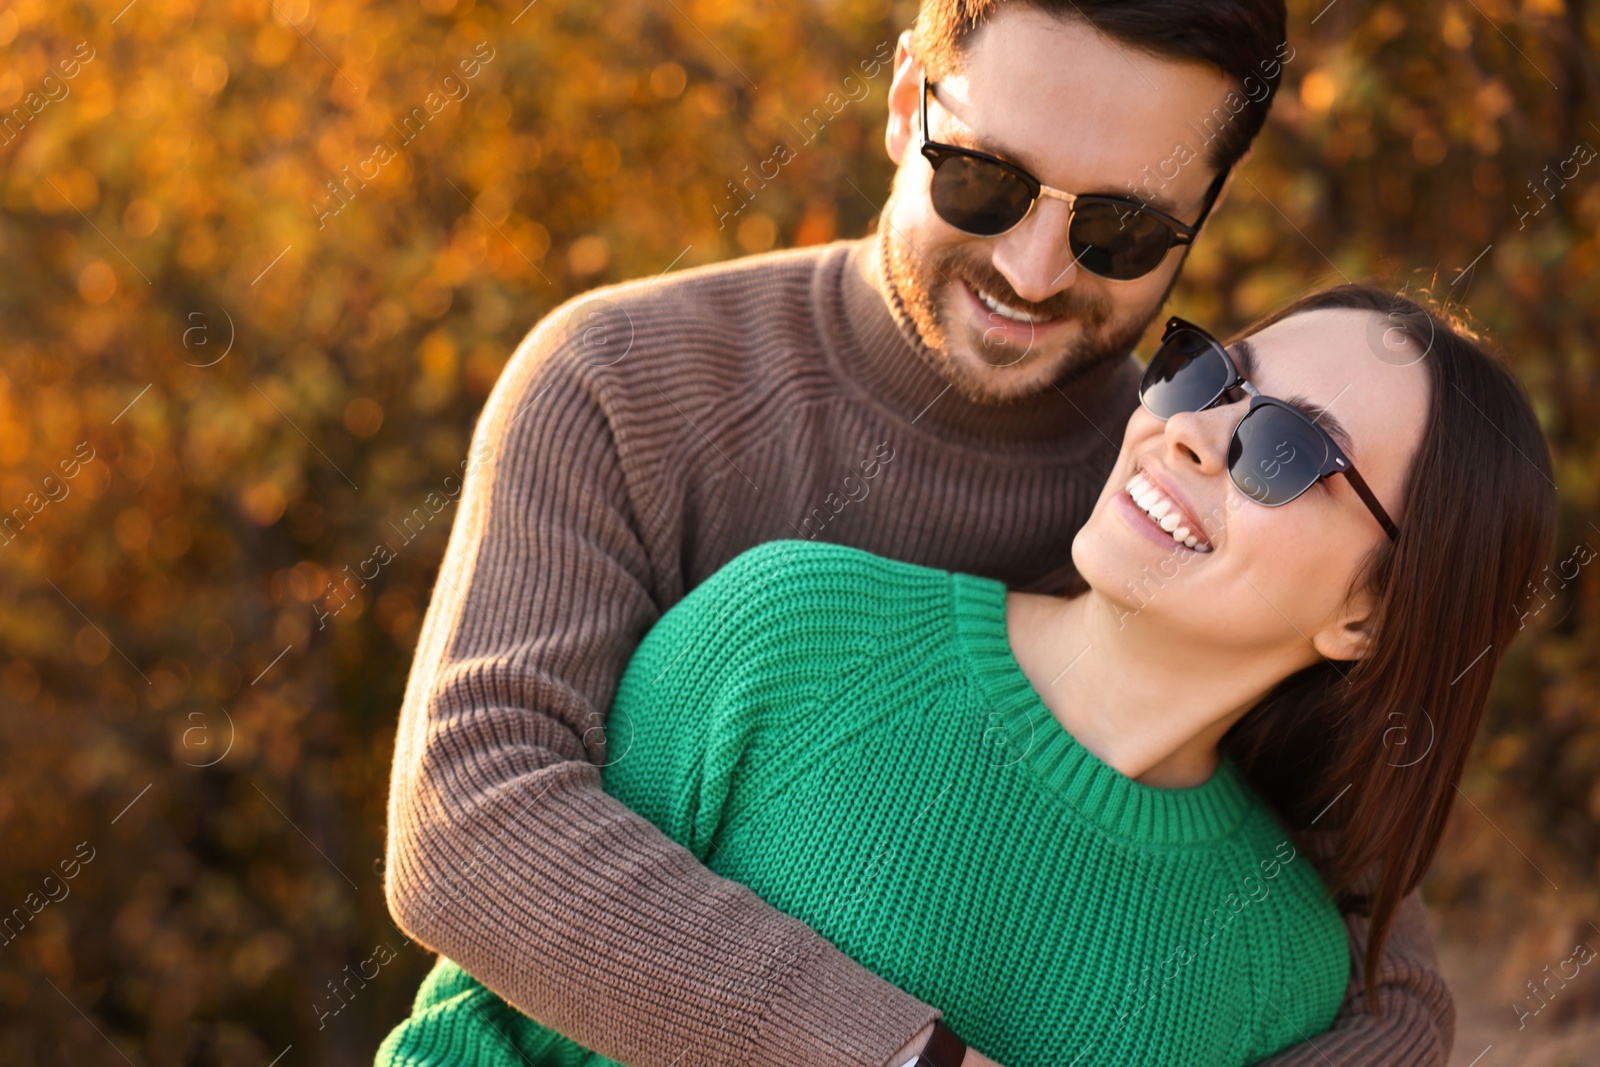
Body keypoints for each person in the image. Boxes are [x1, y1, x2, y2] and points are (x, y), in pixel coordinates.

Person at [383, 2, 1464, 1064]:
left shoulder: (1176, 483)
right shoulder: (618, 380)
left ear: (1203, 211)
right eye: (985, 181)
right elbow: (470, 820)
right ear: (907, 105)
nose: (1034, 271)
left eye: (1120, 227)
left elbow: (1393, 995)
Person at [376, 287, 1555, 1066]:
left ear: (1366, 612)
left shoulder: (1279, 962)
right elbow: (474, 1029)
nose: (1190, 432)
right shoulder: (795, 632)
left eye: (1288, 447)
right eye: (1207, 376)